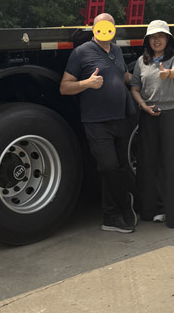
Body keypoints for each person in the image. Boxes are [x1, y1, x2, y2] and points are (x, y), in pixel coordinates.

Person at [59, 12, 137, 234]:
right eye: (101, 26)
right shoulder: (81, 52)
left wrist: (142, 78)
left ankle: (110, 217)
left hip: (121, 117)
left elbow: (123, 75)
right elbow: (64, 87)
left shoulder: (116, 50)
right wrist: (87, 83)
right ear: (94, 28)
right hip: (96, 122)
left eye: (109, 27)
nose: (105, 31)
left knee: (120, 167)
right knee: (108, 166)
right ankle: (124, 203)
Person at [130, 19, 174, 229]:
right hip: (148, 115)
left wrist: (167, 73)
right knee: (146, 163)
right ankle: (149, 210)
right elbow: (135, 87)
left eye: (160, 36)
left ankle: (172, 216)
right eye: (153, 37)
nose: (157, 40)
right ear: (148, 41)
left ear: (168, 39)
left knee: (170, 164)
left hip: (170, 114)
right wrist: (143, 106)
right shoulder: (141, 62)